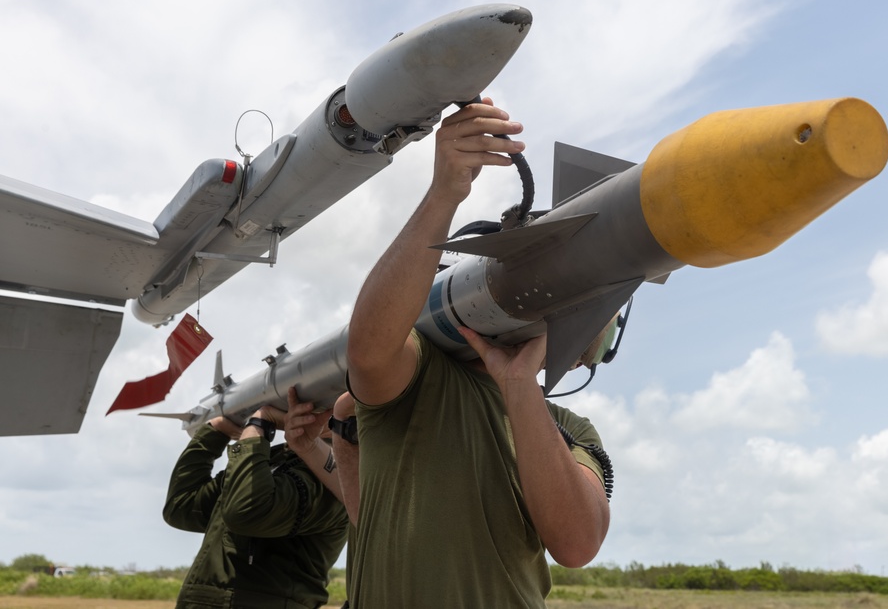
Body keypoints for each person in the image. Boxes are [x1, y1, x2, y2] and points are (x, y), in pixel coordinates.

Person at [344, 98, 612, 607]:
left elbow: (577, 544)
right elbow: (369, 349)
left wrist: (518, 388)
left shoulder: (571, 430)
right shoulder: (419, 375)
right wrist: (446, 192)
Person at [163, 387, 351, 609]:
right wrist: (216, 433)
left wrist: (258, 425)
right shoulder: (277, 458)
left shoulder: (334, 475)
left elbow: (246, 512)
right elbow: (182, 506)